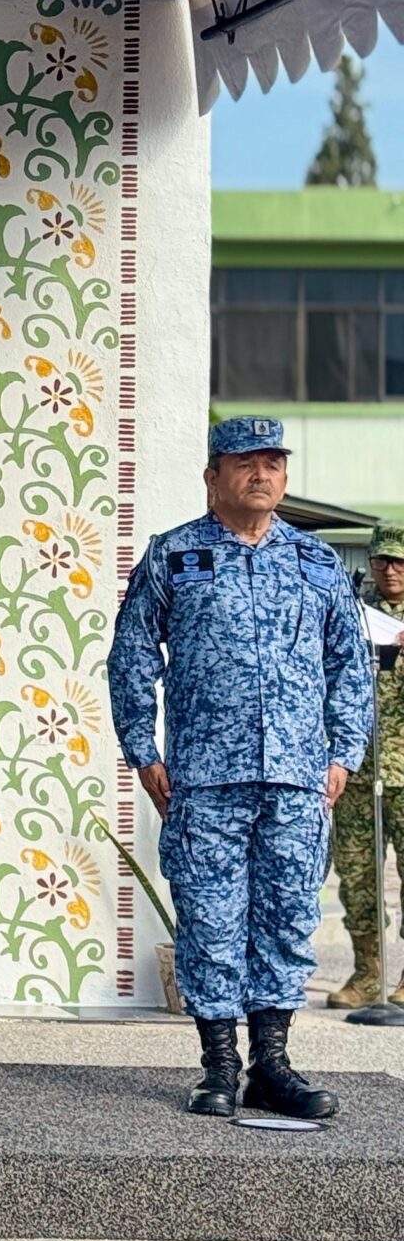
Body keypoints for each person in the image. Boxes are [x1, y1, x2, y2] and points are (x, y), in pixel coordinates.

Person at [110, 416, 371, 1120]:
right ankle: (220, 1067)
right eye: (245, 462)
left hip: (297, 778)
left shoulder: (317, 563)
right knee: (210, 919)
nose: (262, 474)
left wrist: (344, 752)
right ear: (213, 477)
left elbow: (350, 664)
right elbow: (131, 656)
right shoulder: (174, 555)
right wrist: (143, 751)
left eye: (273, 463)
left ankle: (272, 1067)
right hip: (204, 778)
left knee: (288, 918)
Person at [328, 520, 404, 1008]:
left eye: (399, 562)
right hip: (357, 772)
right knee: (357, 878)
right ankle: (368, 975)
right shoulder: (351, 614)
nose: (389, 570)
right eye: (381, 561)